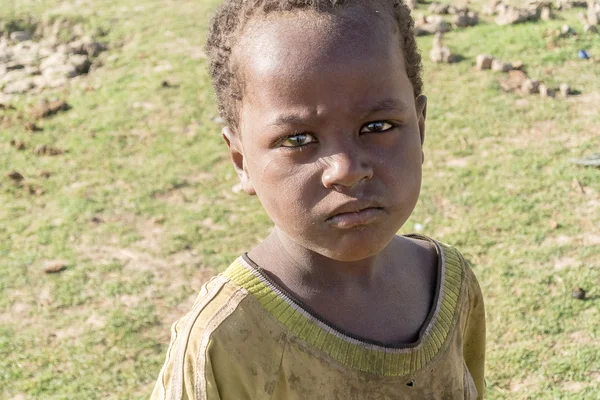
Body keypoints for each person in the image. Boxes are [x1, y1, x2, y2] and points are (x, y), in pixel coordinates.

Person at [151, 0, 486, 398]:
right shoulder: (225, 339)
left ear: (421, 129)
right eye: (297, 139)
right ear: (242, 162)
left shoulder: (450, 284)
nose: (345, 168)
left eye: (377, 126)